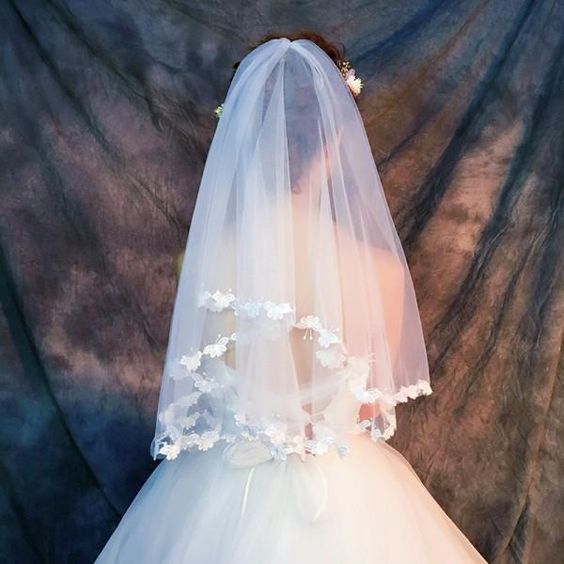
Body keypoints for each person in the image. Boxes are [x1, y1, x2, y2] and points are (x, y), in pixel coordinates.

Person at [96, 31, 488, 563]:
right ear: (338, 138)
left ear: (244, 134)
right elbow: (371, 405)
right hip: (355, 504)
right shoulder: (383, 272)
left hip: (215, 500)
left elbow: (199, 388)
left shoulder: (203, 263)